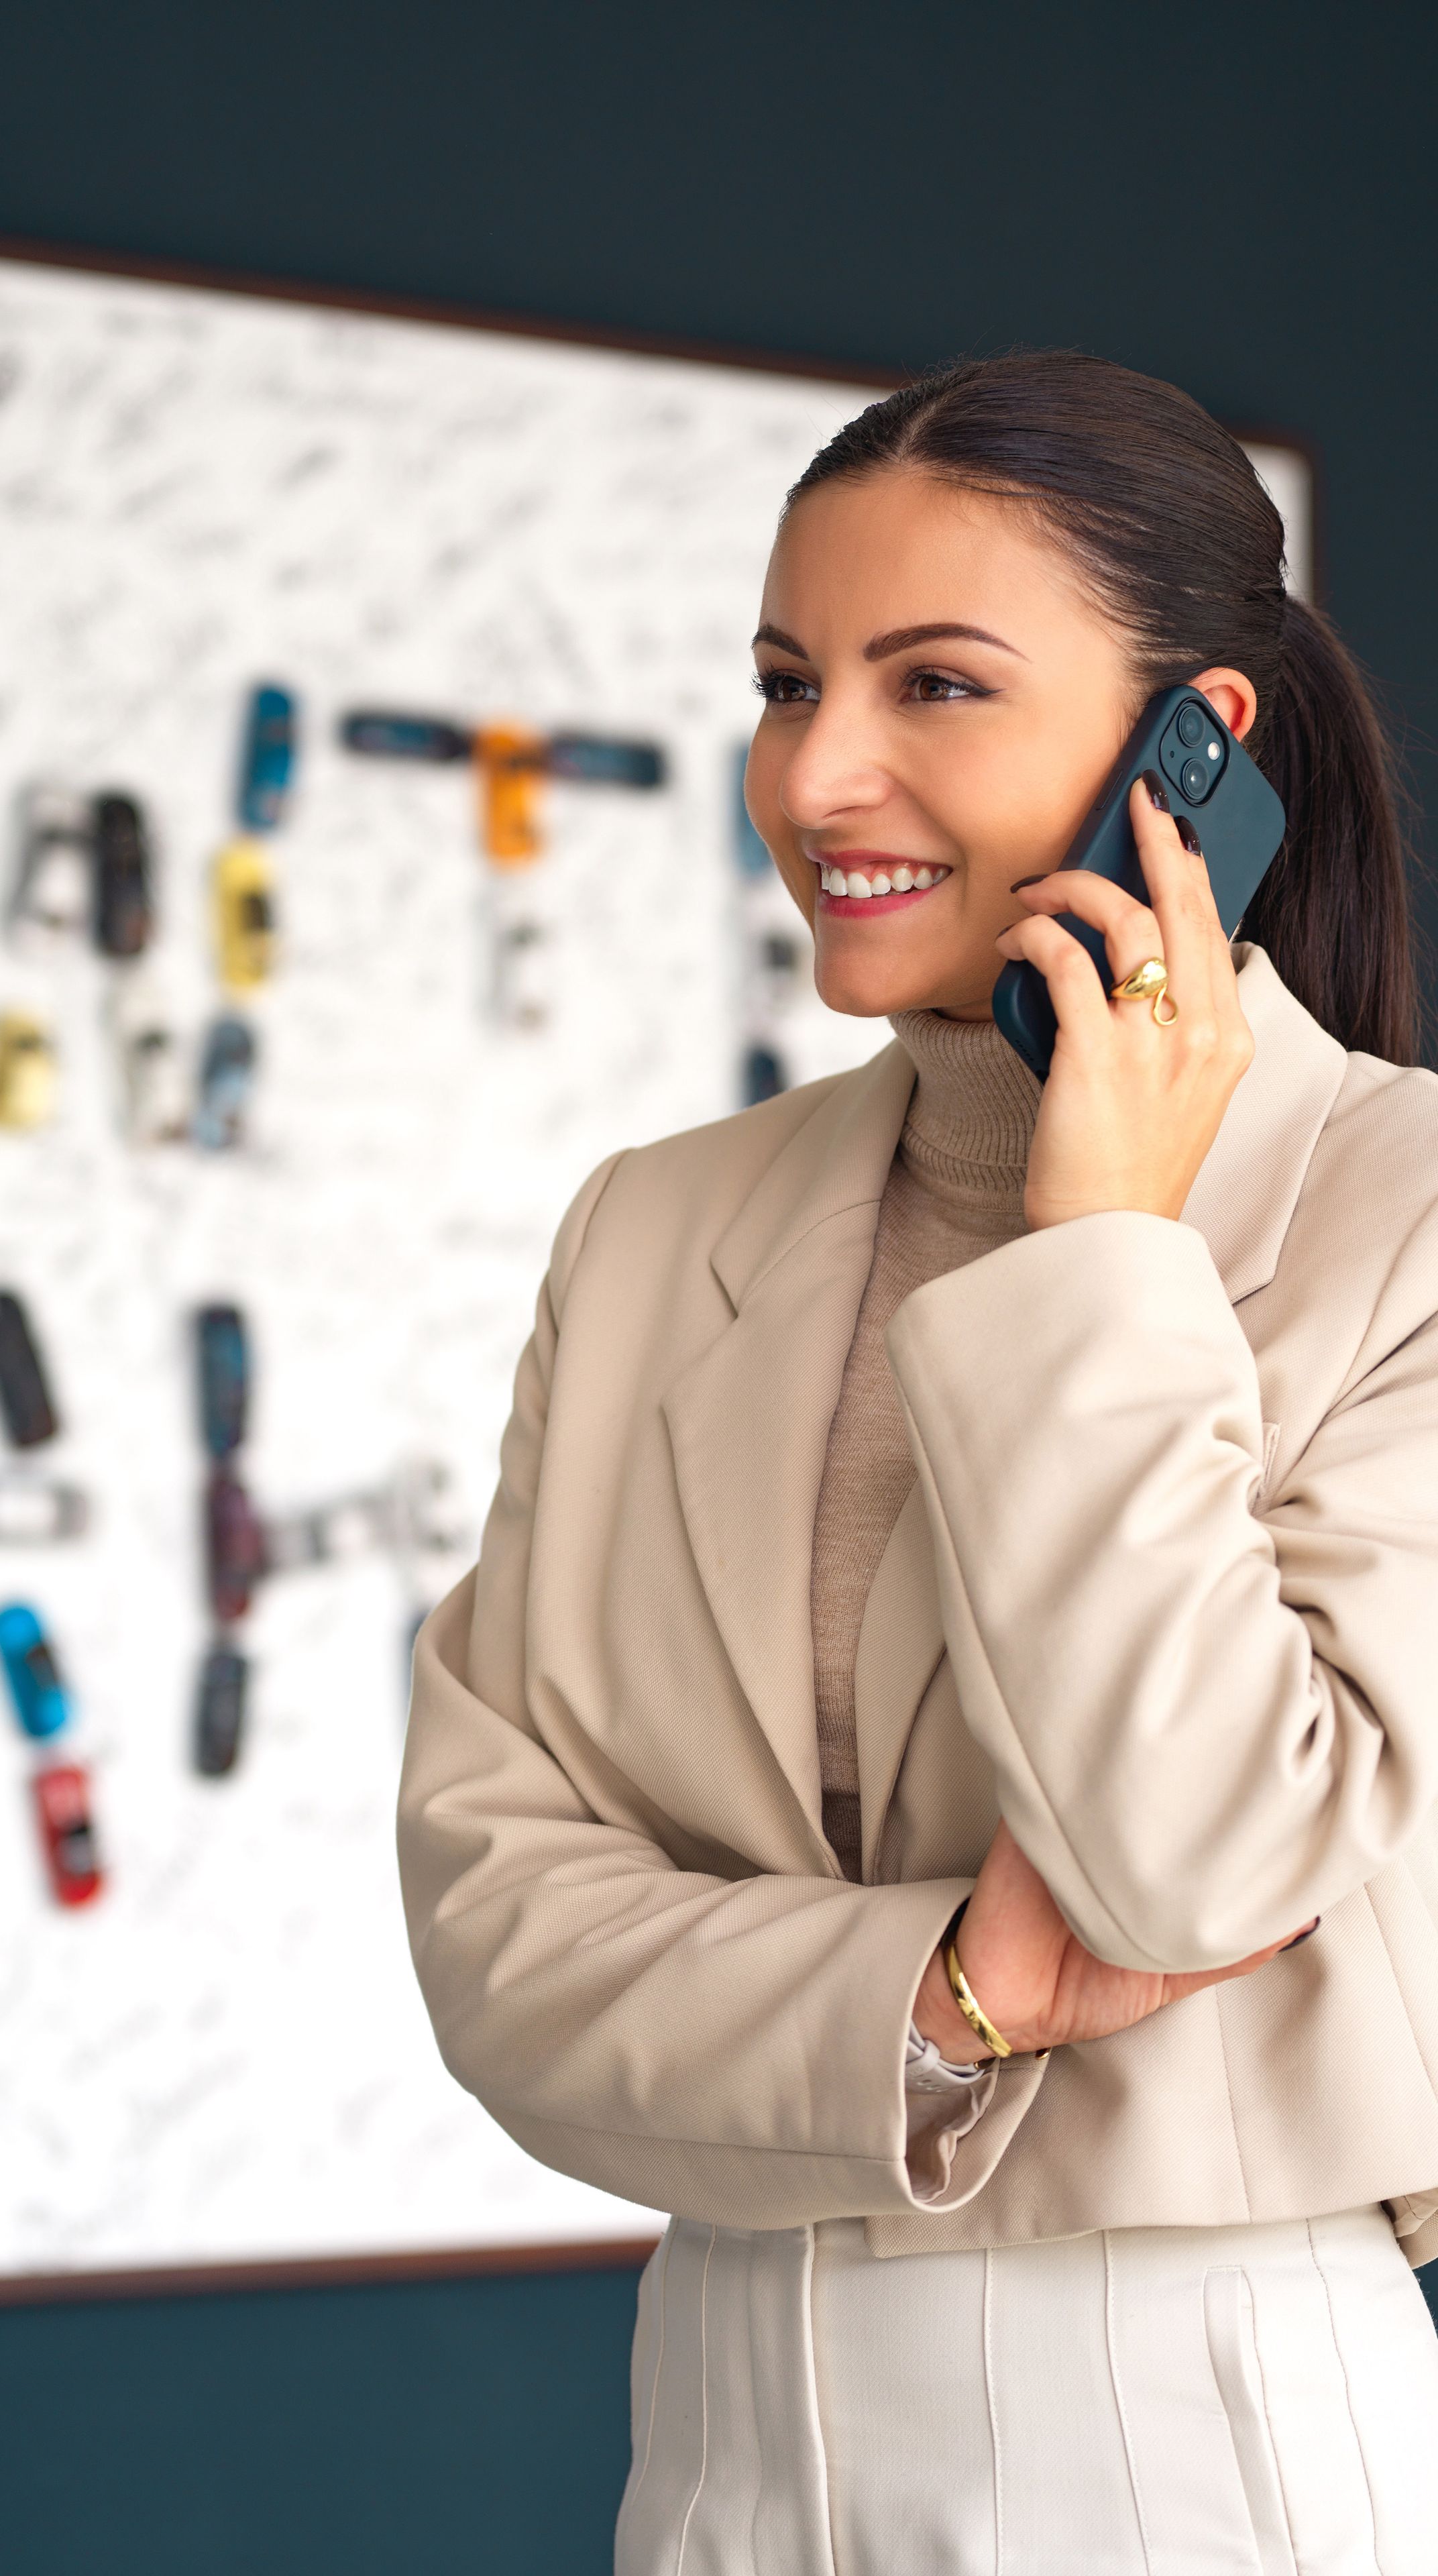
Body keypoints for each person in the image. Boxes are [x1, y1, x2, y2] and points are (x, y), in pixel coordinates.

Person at [397, 351, 1438, 2573]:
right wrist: (946, 1999)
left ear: (1198, 751)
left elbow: (1202, 1856)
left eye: (934, 684)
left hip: (1200, 2449)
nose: (815, 775)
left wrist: (1104, 1251)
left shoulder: (1406, 1214)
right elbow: (498, 1935)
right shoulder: (657, 1226)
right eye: (787, 684)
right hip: (714, 2453)